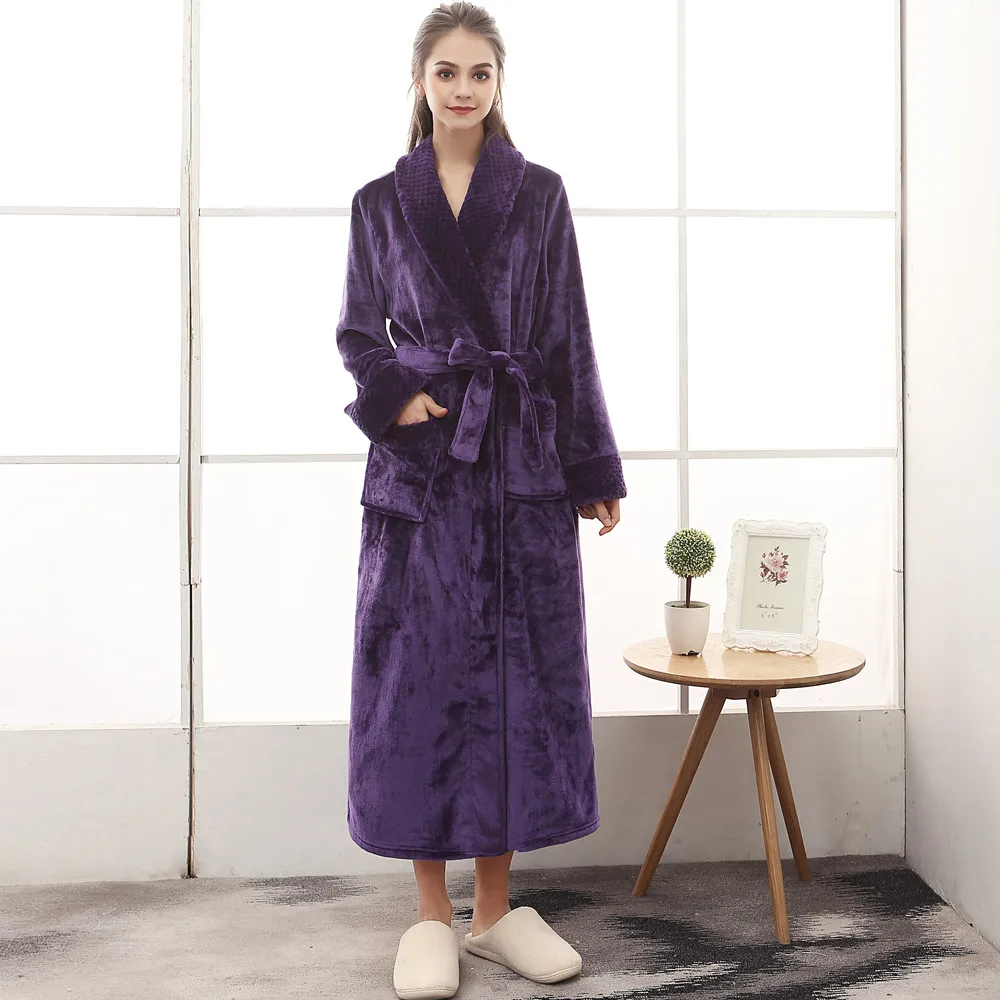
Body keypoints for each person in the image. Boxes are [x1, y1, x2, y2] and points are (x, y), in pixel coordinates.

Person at [335, 4, 626, 997]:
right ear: (420, 81)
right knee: (415, 681)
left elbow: (566, 335)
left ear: (499, 83)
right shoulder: (380, 202)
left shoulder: (538, 194)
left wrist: (590, 469)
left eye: (480, 73)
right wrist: (396, 397)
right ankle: (430, 916)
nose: (463, 89)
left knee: (513, 681)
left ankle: (495, 912)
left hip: (516, 464)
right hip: (421, 468)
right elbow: (357, 333)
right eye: (447, 72)